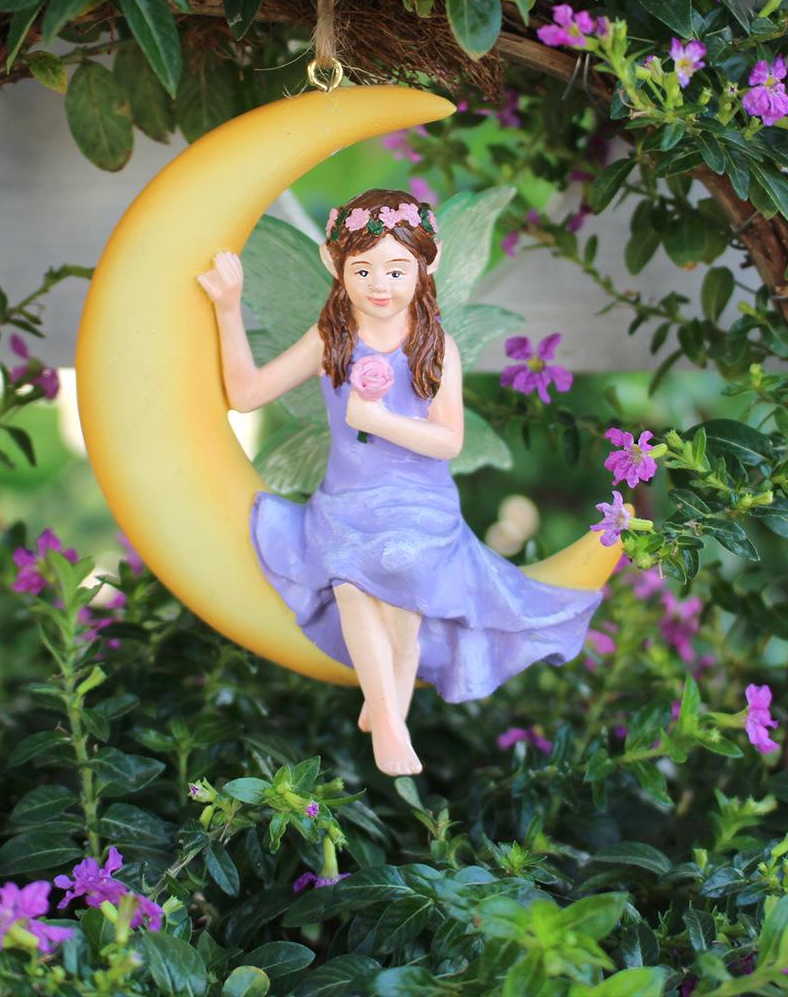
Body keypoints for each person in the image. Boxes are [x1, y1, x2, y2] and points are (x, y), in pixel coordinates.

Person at [197, 188, 605, 777]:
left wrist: (380, 419)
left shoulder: (434, 345)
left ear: (426, 266)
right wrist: (228, 308)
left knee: (404, 581)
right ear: (335, 266)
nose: (379, 285)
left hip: (420, 500)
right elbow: (246, 393)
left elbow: (449, 440)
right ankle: (390, 720)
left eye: (396, 270)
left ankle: (387, 707)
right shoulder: (330, 337)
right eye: (362, 270)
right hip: (346, 500)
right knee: (351, 577)